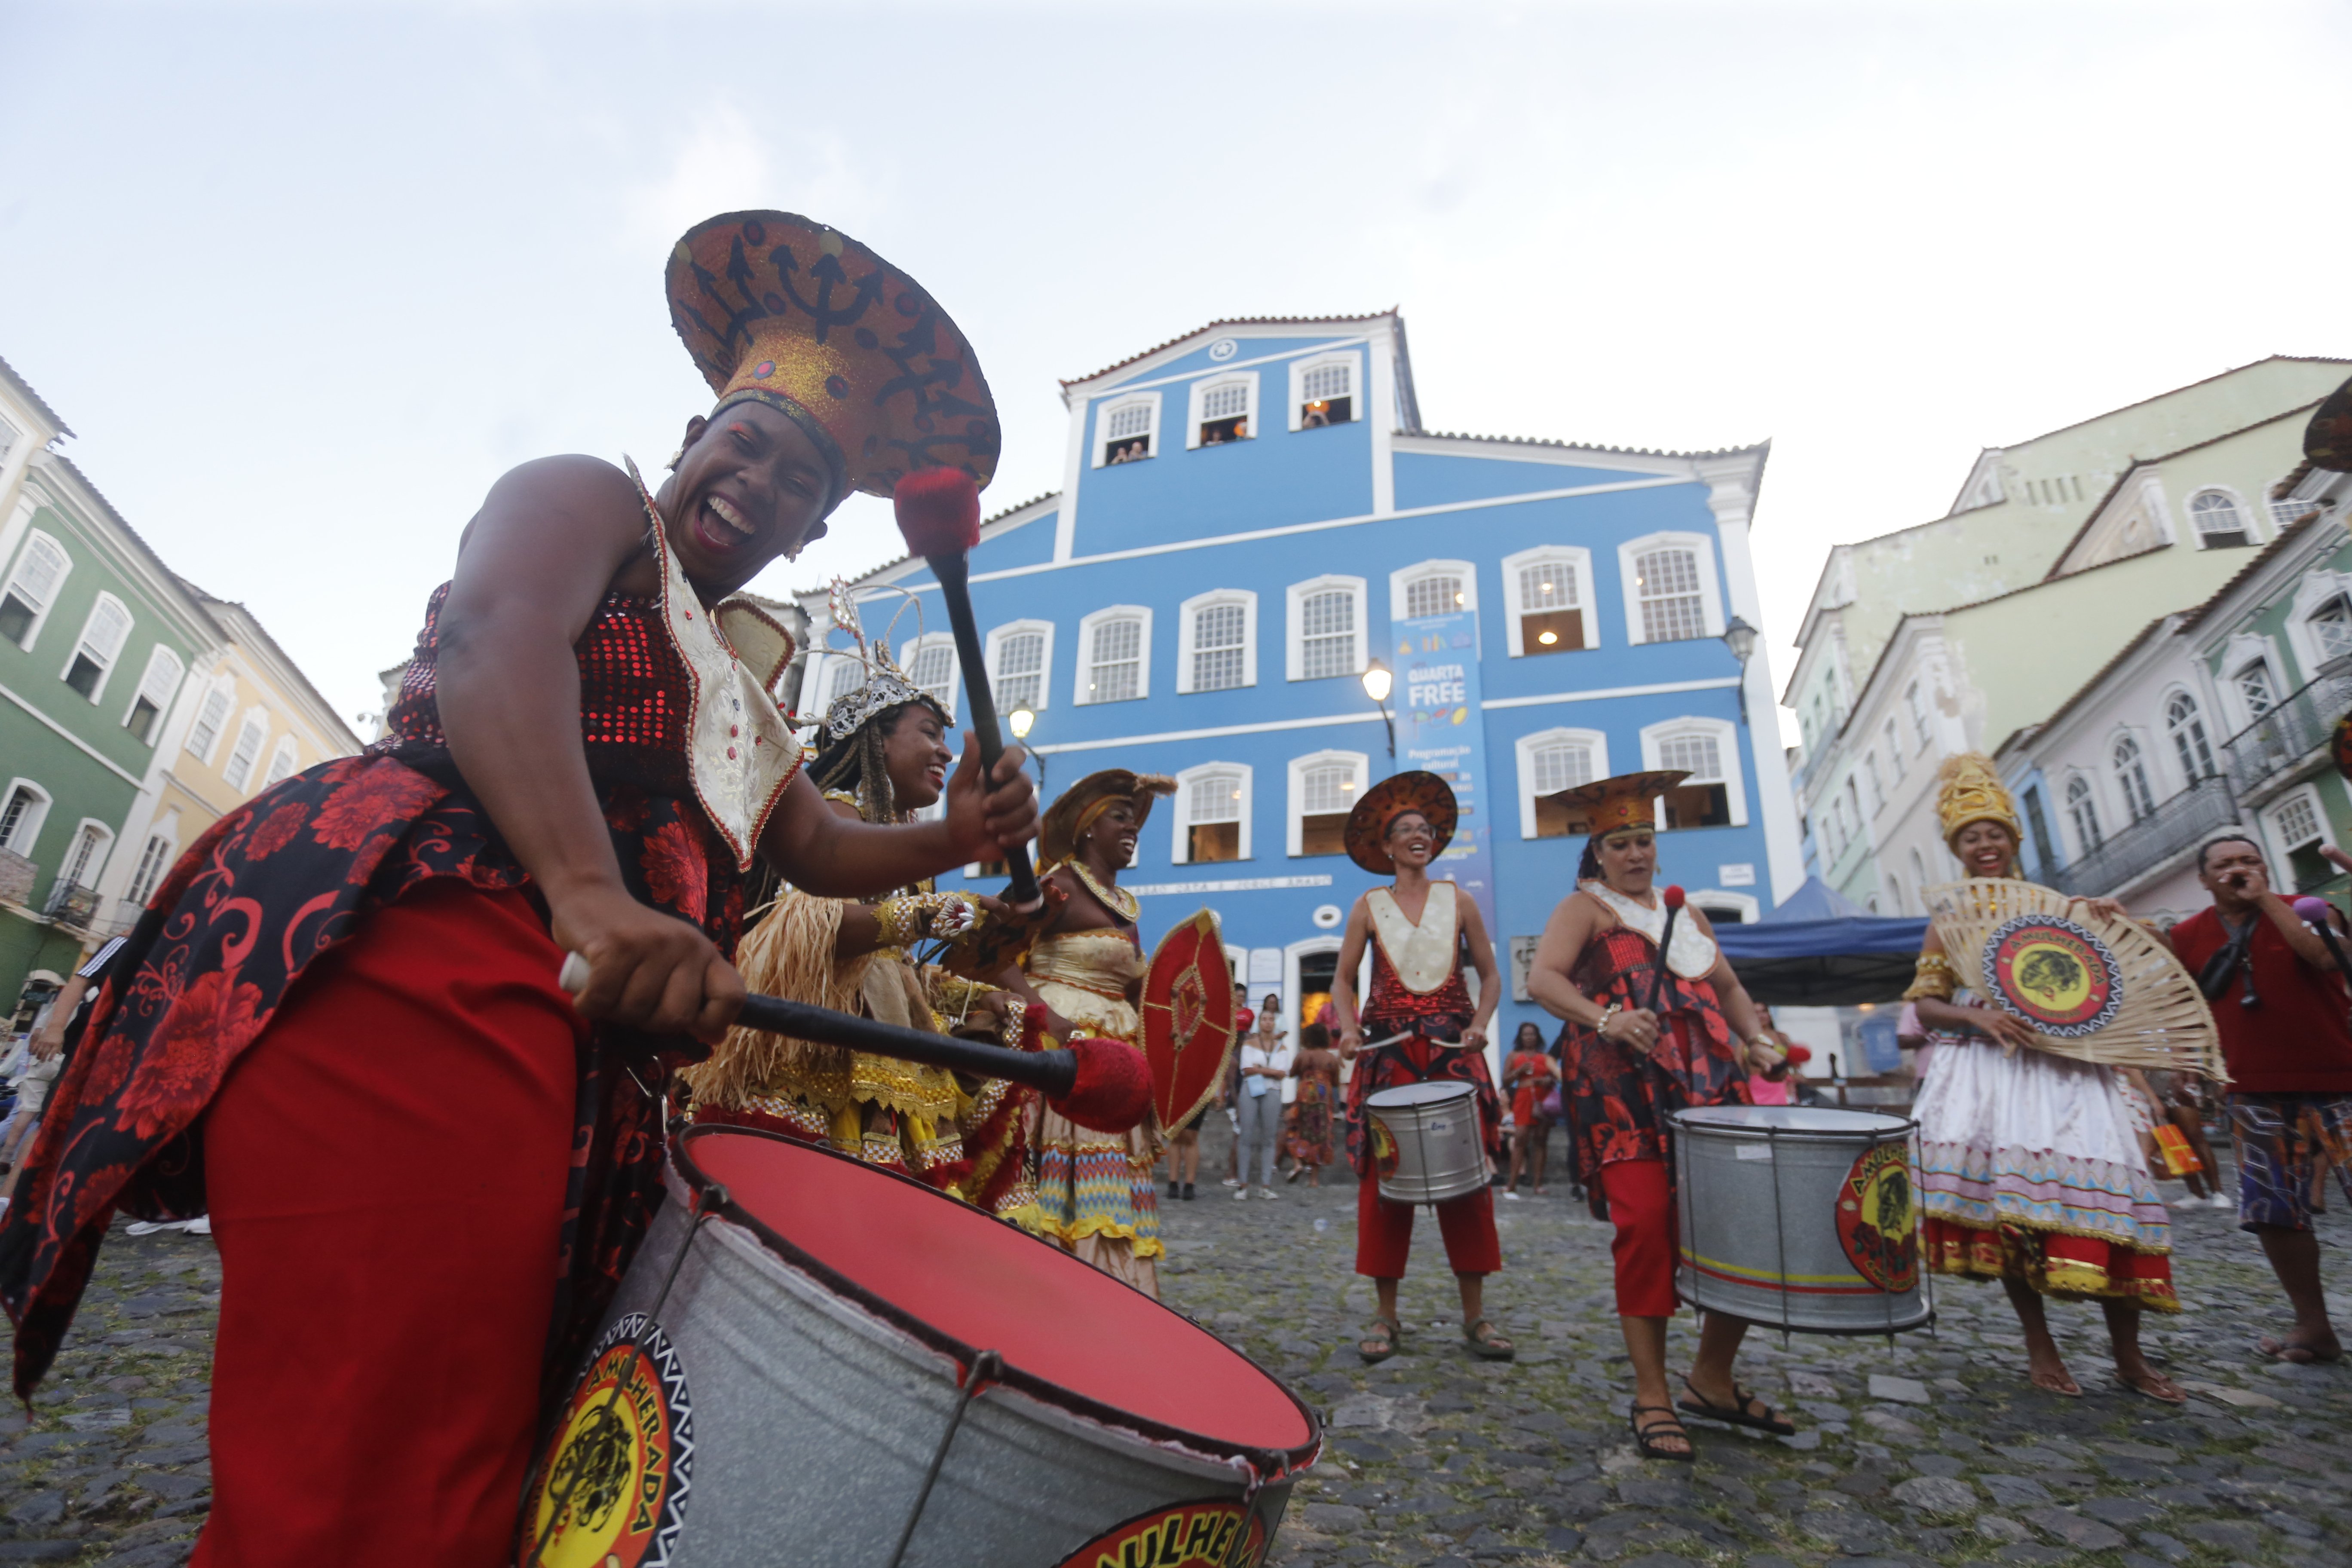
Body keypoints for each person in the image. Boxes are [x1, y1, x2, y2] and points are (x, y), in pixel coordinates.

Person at [0, 211, 1038, 1568]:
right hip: (426, 950)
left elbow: (820, 847)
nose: (758, 479)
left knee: (476, 1438)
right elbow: (500, 638)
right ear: (692, 434)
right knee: (376, 1463)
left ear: (811, 533)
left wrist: (956, 835)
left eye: (798, 482)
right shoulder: (588, 501)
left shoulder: (733, 683)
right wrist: (590, 897)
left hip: (578, 1032)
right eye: (746, 438)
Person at [682, 607, 1042, 1228]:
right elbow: (815, 933)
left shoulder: (897, 839)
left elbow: (893, 968)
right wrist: (946, 913)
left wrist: (991, 1005)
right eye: (929, 732)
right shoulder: (836, 815)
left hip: (891, 1052)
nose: (945, 752)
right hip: (821, 1064)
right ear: (876, 739)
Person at [1526, 769, 1794, 1461]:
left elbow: (1730, 988)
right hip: (1622, 1096)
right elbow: (1543, 980)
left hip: (1710, 1090)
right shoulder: (1583, 910)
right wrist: (1606, 1018)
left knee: (1732, 1227)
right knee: (1645, 1227)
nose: (1636, 854)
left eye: (1644, 840)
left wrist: (1757, 1042)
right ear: (1599, 852)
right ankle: (1652, 1392)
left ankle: (1712, 1377)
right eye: (1621, 844)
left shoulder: (1689, 915)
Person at [1902, 754, 2181, 1401]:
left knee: (2119, 1204)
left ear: (2013, 838)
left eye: (1994, 832)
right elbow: (1925, 1005)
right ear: (1958, 850)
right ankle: (2040, 1344)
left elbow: (2117, 975)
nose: (1985, 844)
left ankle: (2129, 1356)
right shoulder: (1949, 920)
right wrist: (1982, 1018)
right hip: (1995, 1073)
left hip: (2074, 1069)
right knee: (2013, 1214)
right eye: (1971, 837)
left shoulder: (2059, 906)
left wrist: (2113, 921)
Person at [1329, 771, 1513, 1364]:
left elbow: (1490, 975)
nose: (1417, 836)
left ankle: (1476, 1315)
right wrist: (1350, 1028)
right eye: (1405, 830)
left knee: (1468, 1181)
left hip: (1452, 1054)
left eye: (1425, 830)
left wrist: (1481, 1022)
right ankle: (1385, 1317)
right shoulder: (1367, 906)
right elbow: (1340, 980)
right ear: (1386, 848)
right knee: (1384, 1183)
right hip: (1388, 1056)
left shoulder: (1459, 900)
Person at [2159, 833, 2352, 1363]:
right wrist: (2185, 1061)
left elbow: (2324, 958)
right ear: (2204, 879)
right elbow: (2186, 1004)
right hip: (2255, 1093)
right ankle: (2315, 1329)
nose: (2238, 869)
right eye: (2225, 864)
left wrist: (2266, 898)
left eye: (2250, 861)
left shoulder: (2312, 909)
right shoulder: (2187, 934)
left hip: (2340, 1081)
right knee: (2275, 1214)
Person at [1001, 769, 1174, 1295]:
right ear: (1086, 828)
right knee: (1059, 1177)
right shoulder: (1059, 884)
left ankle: (1111, 1287)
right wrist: (1042, 1014)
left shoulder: (1126, 906)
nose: (1132, 828)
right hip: (1062, 1056)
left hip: (1116, 1059)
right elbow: (993, 951)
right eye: (1119, 817)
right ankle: (1053, 1282)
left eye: (1135, 820)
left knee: (1111, 1178)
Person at [1234, 1020, 1290, 1200]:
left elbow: (1282, 1073)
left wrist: (1261, 1069)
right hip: (1252, 1088)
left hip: (1272, 1090)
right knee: (1246, 1134)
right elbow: (1247, 1069)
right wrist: (1270, 1071)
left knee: (1270, 1136)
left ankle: (1265, 1185)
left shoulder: (1281, 1047)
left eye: (1271, 1020)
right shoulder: (1249, 1044)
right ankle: (1243, 1184)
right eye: (1265, 1019)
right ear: (1260, 1023)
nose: (1268, 1023)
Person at [1502, 1022, 1559, 1197]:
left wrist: (1546, 1081)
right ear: (1521, 1037)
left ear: (1538, 1037)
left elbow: (1554, 1077)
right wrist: (1519, 1071)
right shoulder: (1514, 1056)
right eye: (1526, 1035)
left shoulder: (1545, 1057)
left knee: (1541, 1140)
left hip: (1542, 1101)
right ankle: (1512, 1184)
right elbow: (1506, 1081)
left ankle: (1538, 1184)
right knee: (1520, 1139)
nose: (1529, 1038)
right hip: (1523, 1099)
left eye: (1532, 1034)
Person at [1284, 1021, 1341, 1185]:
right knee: (1320, 1135)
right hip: (1324, 1101)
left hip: (1304, 1097)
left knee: (1295, 1128)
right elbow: (1337, 1082)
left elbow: (1292, 1073)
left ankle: (1297, 1164)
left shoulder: (1303, 1055)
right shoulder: (1331, 1058)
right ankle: (1314, 1179)